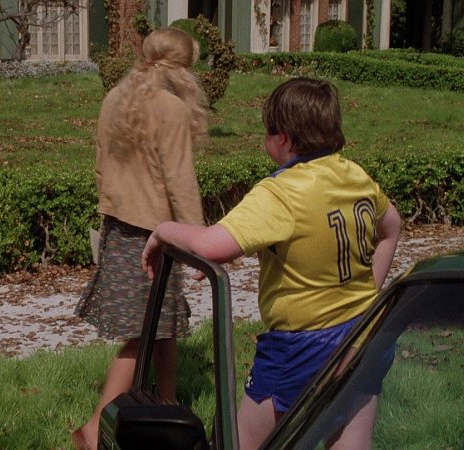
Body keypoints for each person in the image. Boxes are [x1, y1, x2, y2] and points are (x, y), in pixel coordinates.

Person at [142, 77, 402, 450]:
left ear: (283, 138)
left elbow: (211, 245)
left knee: (242, 444)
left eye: (267, 131)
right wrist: (368, 293)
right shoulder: (354, 175)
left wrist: (163, 230)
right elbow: (392, 227)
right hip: (365, 333)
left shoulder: (282, 193)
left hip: (302, 348)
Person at [72, 27, 209, 450]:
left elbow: (100, 164)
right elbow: (180, 180)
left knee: (164, 323)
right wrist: (200, 240)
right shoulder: (171, 108)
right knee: (143, 331)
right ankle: (94, 427)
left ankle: (167, 403)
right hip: (154, 235)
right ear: (183, 69)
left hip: (120, 227)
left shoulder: (115, 96)